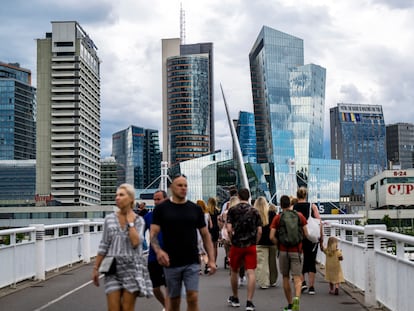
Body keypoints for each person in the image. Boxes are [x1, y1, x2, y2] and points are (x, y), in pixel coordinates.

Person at [150, 174, 216, 311]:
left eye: (185, 185)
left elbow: (205, 235)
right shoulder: (161, 209)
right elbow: (153, 234)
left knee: (192, 297)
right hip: (171, 262)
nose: (183, 188)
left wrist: (211, 259)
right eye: (179, 185)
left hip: (191, 260)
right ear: (172, 188)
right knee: (174, 302)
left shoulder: (195, 209)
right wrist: (158, 251)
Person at [92, 183, 153, 311]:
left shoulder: (138, 220)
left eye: (121, 195)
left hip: (132, 269)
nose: (117, 198)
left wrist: (129, 221)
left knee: (127, 308)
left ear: (130, 198)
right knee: (113, 308)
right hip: (113, 268)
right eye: (116, 195)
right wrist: (96, 268)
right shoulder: (109, 219)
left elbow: (136, 242)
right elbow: (104, 245)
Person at [270, 195, 309, 311]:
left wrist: (278, 244)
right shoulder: (300, 216)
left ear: (281, 205)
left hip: (283, 251)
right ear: (291, 204)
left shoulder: (278, 218)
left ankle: (290, 304)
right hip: (297, 250)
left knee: (285, 277)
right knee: (297, 277)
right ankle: (297, 298)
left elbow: (271, 236)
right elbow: (306, 234)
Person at [226, 188, 262, 311]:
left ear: (239, 197)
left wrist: (231, 240)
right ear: (248, 197)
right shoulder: (255, 211)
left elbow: (229, 229)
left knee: (234, 270)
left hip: (237, 244)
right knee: (251, 272)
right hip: (250, 245)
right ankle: (249, 301)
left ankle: (235, 297)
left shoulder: (232, 210)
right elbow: (260, 231)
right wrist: (255, 242)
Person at [293, 187, 322, 295]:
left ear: (297, 195)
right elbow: (319, 221)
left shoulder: (294, 207)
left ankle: (303, 282)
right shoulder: (312, 206)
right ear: (306, 195)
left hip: (298, 236)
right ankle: (311, 287)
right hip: (311, 237)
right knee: (311, 260)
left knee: (299, 261)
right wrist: (321, 239)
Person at [144, 190, 170, 311]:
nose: (156, 201)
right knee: (155, 288)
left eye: (158, 199)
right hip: (153, 257)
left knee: (169, 286)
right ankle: (165, 305)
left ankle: (169, 308)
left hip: (170, 256)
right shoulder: (149, 216)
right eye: (154, 199)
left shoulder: (173, 215)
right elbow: (139, 232)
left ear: (166, 199)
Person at [254, 196, 278, 289]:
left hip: (260, 242)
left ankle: (264, 283)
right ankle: (273, 280)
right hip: (272, 241)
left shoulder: (255, 214)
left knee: (262, 264)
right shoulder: (272, 214)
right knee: (272, 262)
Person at [219, 196, 240, 269]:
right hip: (237, 232)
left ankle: (229, 259)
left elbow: (223, 223)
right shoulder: (240, 212)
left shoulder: (225, 213)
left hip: (226, 232)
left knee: (228, 250)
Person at [207, 197, 221, 264]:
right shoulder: (217, 211)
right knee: (215, 247)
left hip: (209, 230)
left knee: (209, 246)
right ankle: (214, 262)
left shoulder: (207, 211)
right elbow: (218, 222)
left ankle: (210, 261)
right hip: (216, 230)